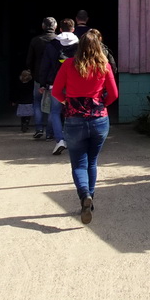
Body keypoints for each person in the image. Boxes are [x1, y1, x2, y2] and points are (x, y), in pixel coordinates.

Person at [51, 29, 118, 225]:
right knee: (92, 162)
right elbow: (113, 95)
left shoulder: (69, 64)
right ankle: (90, 199)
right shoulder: (103, 65)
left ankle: (84, 196)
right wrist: (100, 105)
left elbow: (56, 91)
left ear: (79, 47)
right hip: (98, 120)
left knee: (79, 163)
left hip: (74, 120)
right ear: (98, 47)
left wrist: (67, 102)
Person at [38, 18, 79, 155]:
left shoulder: (52, 45)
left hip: (55, 82)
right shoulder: (79, 44)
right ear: (73, 29)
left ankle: (60, 140)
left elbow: (45, 65)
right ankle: (75, 139)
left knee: (55, 112)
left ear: (59, 29)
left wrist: (42, 83)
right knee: (74, 111)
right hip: (74, 83)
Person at [25, 17, 56, 139]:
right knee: (53, 106)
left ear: (43, 26)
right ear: (55, 26)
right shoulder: (58, 40)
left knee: (37, 102)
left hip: (38, 77)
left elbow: (29, 60)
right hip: (54, 78)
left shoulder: (35, 40)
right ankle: (49, 133)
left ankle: (39, 128)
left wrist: (31, 71)